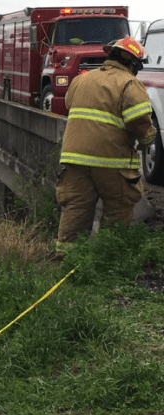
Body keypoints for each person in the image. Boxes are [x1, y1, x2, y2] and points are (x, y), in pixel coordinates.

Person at [55, 36, 156, 255]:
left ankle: (66, 260)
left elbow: (70, 105)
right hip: (112, 162)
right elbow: (139, 121)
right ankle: (109, 260)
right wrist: (149, 140)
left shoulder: (81, 80)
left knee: (76, 209)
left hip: (74, 159)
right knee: (118, 210)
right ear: (132, 63)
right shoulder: (129, 84)